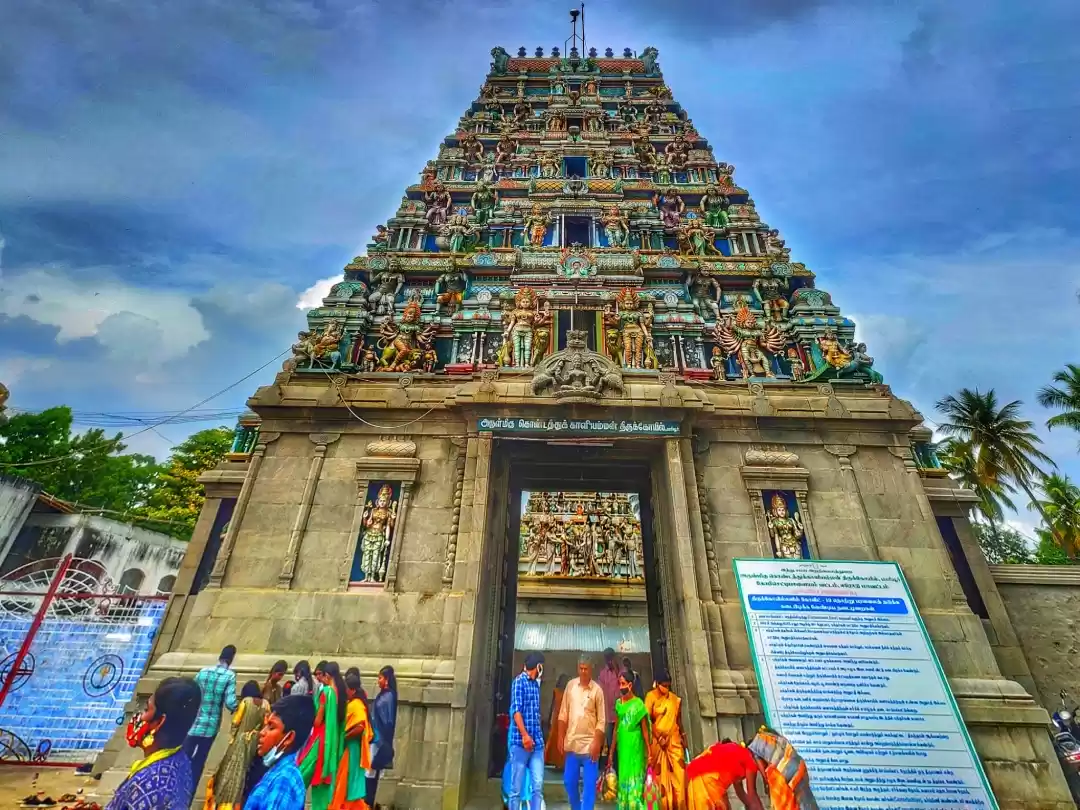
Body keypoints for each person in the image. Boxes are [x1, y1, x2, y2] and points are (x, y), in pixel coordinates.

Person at [107, 677, 201, 810]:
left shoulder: (148, 782)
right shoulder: (181, 760)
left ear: (159, 722)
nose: (140, 716)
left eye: (146, 709)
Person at [203, 681, 269, 810]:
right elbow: (266, 723)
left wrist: (233, 737)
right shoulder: (266, 704)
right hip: (256, 742)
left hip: (240, 741)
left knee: (230, 772)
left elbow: (235, 722)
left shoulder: (245, 702)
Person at [245, 695, 316, 810]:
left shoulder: (284, 781)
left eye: (271, 728)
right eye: (265, 726)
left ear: (288, 738)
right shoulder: (276, 770)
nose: (262, 733)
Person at [186, 645, 240, 785]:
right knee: (198, 762)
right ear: (231, 658)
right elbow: (230, 703)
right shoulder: (229, 676)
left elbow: (191, 693)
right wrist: (240, 706)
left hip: (193, 724)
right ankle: (189, 794)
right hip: (210, 727)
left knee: (184, 758)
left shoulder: (203, 672)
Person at [558, 655, 606, 810]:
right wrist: (560, 736)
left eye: (586, 669)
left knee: (589, 787)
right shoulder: (570, 686)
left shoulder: (597, 690)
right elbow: (563, 714)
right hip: (572, 744)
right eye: (581, 668)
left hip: (590, 746)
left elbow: (601, 721)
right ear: (578, 668)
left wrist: (597, 743)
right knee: (569, 781)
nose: (583, 671)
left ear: (591, 669)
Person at [299, 661, 347, 810]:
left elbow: (318, 721)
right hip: (334, 741)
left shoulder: (326, 692)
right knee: (326, 779)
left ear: (327, 676)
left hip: (320, 739)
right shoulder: (341, 693)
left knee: (302, 772)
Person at [606, 670, 650, 810]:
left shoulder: (639, 705)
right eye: (619, 683)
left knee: (635, 787)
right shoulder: (619, 704)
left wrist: (650, 753)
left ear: (630, 685)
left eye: (623, 684)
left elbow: (645, 731)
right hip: (623, 750)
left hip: (635, 749)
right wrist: (611, 753)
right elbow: (616, 730)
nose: (620, 687)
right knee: (624, 783)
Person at [507, 653, 545, 810]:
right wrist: (525, 736)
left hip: (537, 744)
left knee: (537, 786)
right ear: (538, 666)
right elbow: (516, 711)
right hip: (520, 743)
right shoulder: (519, 682)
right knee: (515, 788)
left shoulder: (536, 684)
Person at [645, 670, 687, 810]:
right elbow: (647, 721)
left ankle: (680, 805)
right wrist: (658, 737)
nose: (666, 688)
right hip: (658, 744)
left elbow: (678, 719)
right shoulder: (650, 697)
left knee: (680, 776)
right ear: (657, 684)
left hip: (674, 741)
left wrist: (684, 736)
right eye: (664, 685)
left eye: (668, 686)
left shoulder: (674, 699)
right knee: (659, 778)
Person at [331, 672, 373, 810]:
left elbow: (360, 727)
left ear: (353, 690)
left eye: (346, 689)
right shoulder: (352, 703)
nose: (345, 692)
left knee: (347, 782)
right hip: (350, 748)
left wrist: (344, 736)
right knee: (345, 781)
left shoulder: (357, 704)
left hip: (352, 749)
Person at [685, 739, 764, 810]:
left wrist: (749, 804)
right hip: (709, 785)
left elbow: (741, 793)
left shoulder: (737, 752)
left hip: (694, 782)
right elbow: (752, 795)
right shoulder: (750, 760)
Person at [366, 665, 399, 807]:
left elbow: (388, 721)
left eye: (380, 678)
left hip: (379, 739)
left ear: (386, 680)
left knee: (371, 771)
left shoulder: (389, 696)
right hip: (374, 737)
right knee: (370, 772)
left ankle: (368, 802)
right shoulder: (384, 695)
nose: (378, 681)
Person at [597, 650, 620, 771]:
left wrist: (617, 672)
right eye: (607, 659)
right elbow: (599, 694)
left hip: (622, 716)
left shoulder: (621, 672)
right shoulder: (603, 675)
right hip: (609, 717)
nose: (610, 661)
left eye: (611, 658)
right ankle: (612, 771)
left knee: (622, 745)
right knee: (611, 745)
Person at [544, 674, 569, 768]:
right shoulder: (556, 691)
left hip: (564, 718)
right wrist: (549, 717)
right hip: (556, 718)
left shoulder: (568, 692)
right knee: (553, 737)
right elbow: (552, 705)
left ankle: (561, 762)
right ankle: (551, 759)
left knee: (563, 739)